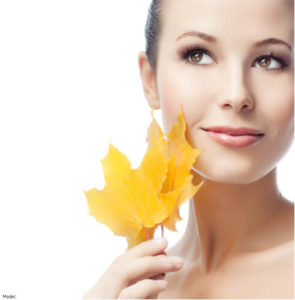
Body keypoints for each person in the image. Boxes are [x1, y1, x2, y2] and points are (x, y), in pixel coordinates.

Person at [83, 0, 294, 298]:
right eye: (199, 55)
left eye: (269, 60)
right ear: (150, 82)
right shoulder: (134, 287)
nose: (237, 95)